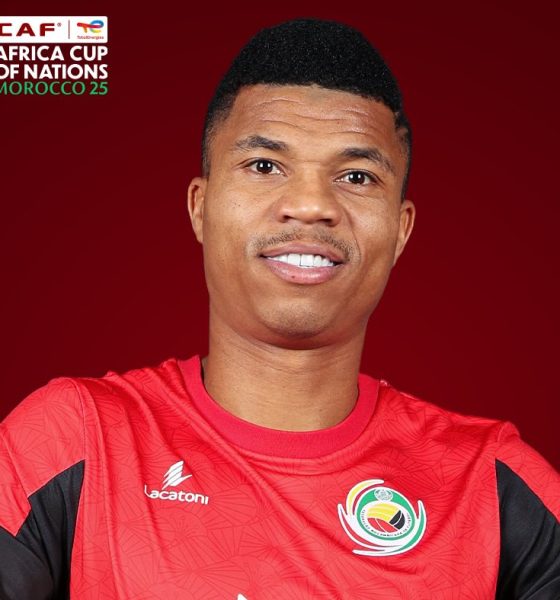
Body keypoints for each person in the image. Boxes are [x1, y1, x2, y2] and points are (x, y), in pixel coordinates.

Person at [0, 17, 558, 600]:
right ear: (200, 207)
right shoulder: (75, 438)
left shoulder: (488, 479)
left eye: (357, 175)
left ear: (400, 230)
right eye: (265, 166)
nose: (311, 204)